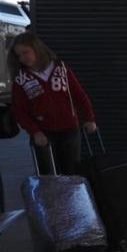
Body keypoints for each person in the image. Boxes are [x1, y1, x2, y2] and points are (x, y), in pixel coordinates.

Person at [8, 32, 97, 175]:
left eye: (26, 52)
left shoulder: (60, 68)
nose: (23, 58)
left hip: (69, 129)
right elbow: (19, 110)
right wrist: (34, 132)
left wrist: (89, 118)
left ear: (36, 48)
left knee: (72, 172)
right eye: (19, 55)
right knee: (48, 174)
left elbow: (79, 94)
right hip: (44, 133)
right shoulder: (21, 79)